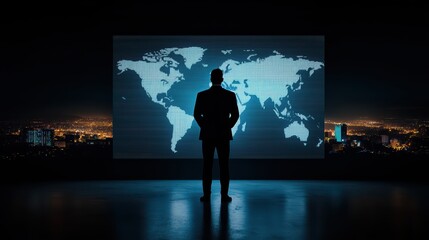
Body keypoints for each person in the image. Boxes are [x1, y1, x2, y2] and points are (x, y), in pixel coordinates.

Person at [193, 68, 239, 202]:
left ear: (211, 79)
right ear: (222, 79)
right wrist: (227, 127)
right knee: (224, 166)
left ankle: (206, 195)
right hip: (224, 135)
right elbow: (235, 115)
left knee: (207, 166)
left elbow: (196, 114)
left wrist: (205, 126)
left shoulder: (202, 95)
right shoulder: (230, 95)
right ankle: (224, 196)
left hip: (207, 135)